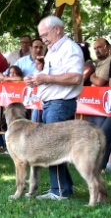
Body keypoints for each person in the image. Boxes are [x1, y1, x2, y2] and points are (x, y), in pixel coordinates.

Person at [25, 15, 84, 201]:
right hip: (51, 104)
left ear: (57, 30)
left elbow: (75, 77)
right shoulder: (52, 51)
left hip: (60, 104)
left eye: (45, 34)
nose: (43, 39)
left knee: (53, 148)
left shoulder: (70, 49)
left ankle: (59, 191)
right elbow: (51, 76)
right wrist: (37, 79)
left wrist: (46, 79)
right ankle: (64, 187)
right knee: (55, 147)